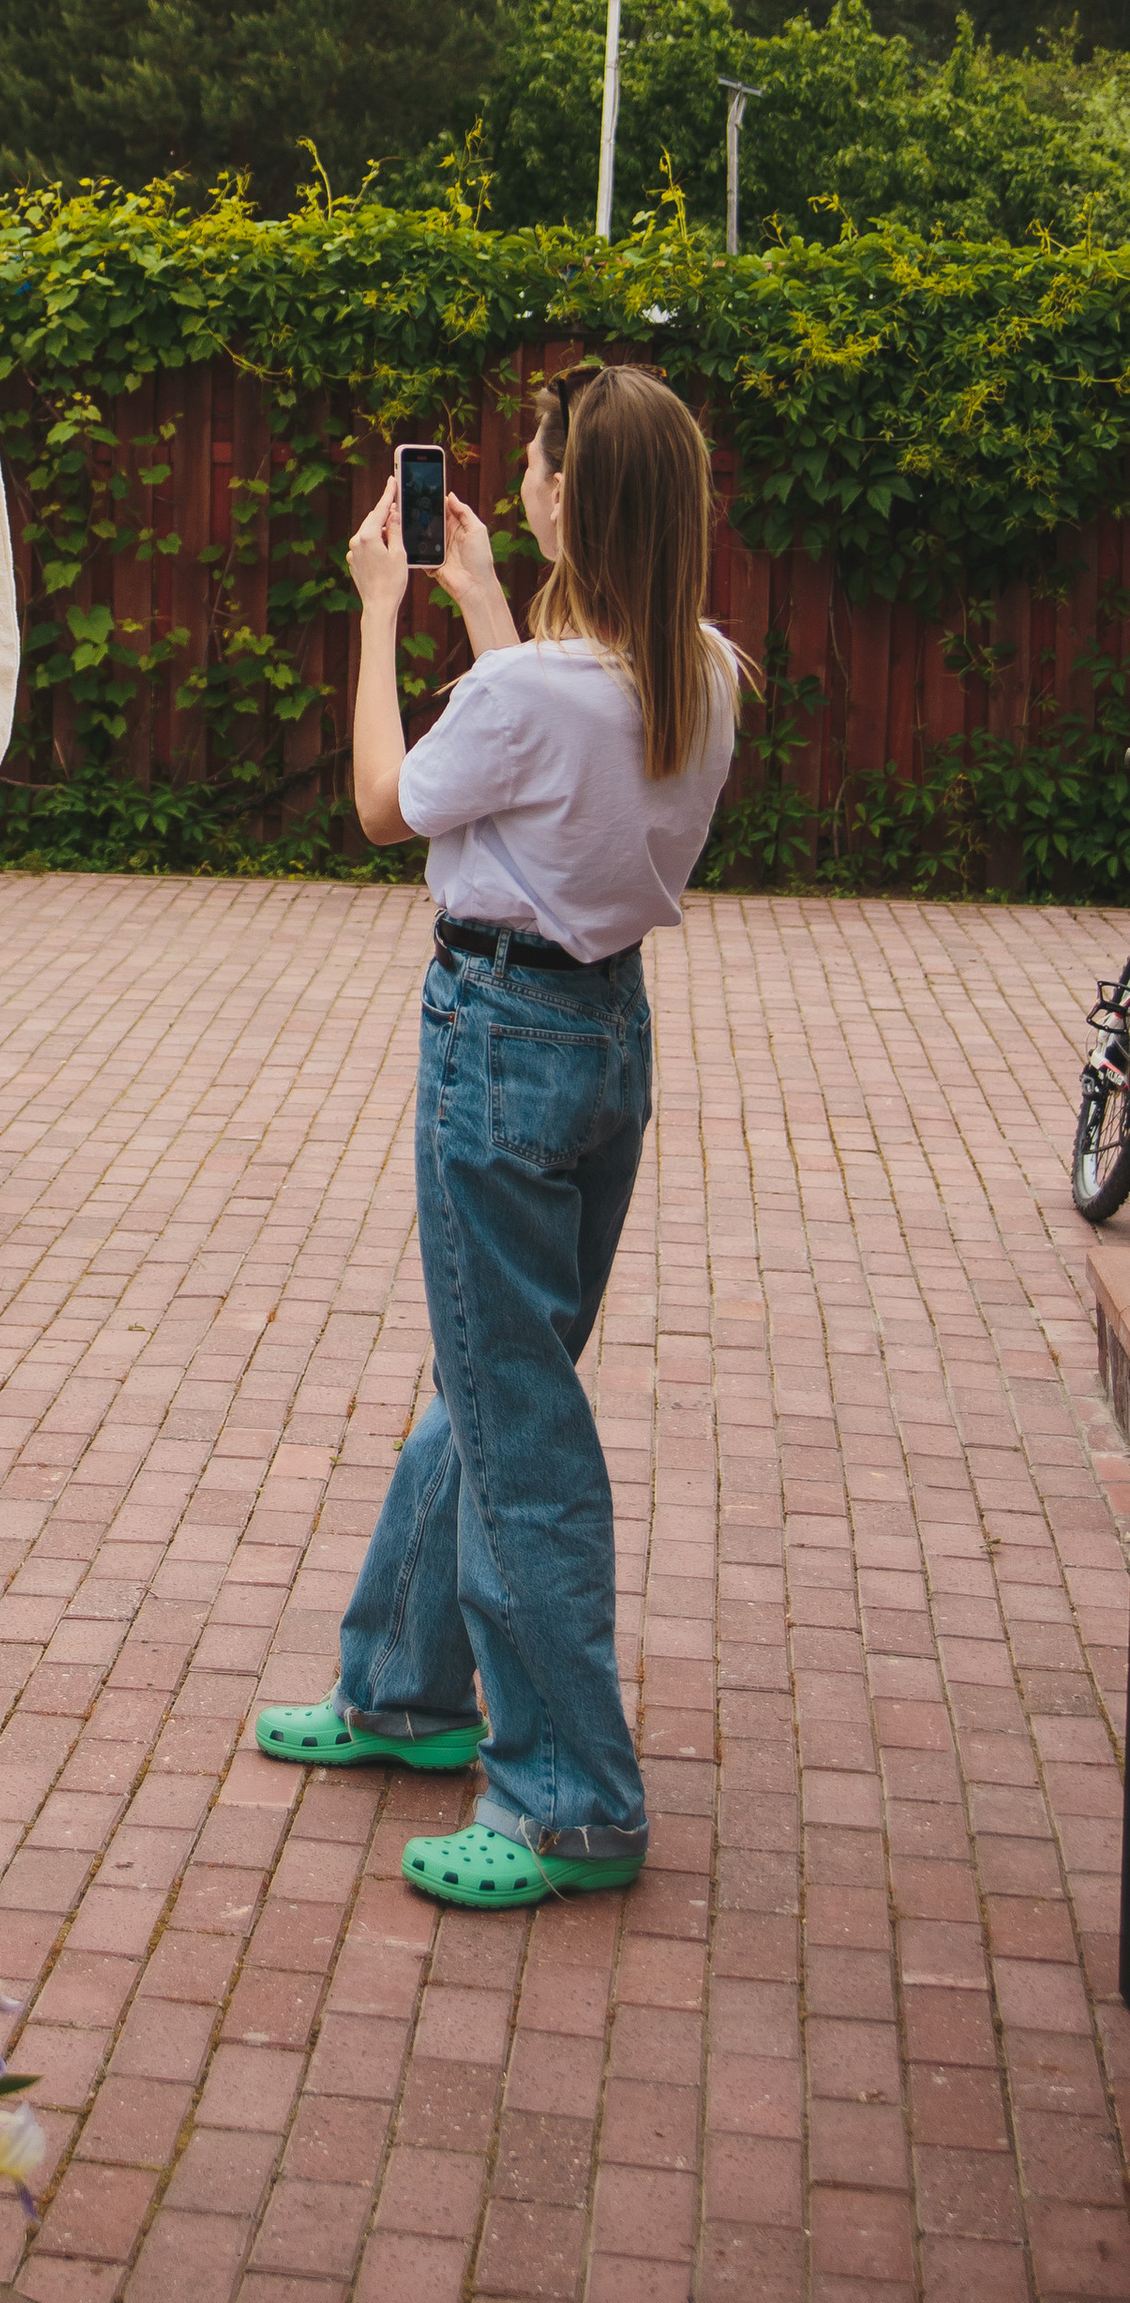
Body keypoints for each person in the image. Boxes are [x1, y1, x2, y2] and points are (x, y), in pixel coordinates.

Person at [253, 364, 741, 1909]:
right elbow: (551, 752)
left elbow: (389, 802)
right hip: (605, 1041)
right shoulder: (706, 675)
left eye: (533, 463)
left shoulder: (534, 695)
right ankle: (404, 1689)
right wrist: (478, 603)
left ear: (561, 499)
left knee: (515, 1416)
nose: (516, 477)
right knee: (498, 1375)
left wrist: (379, 616)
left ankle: (569, 1800)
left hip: (494, 1042)